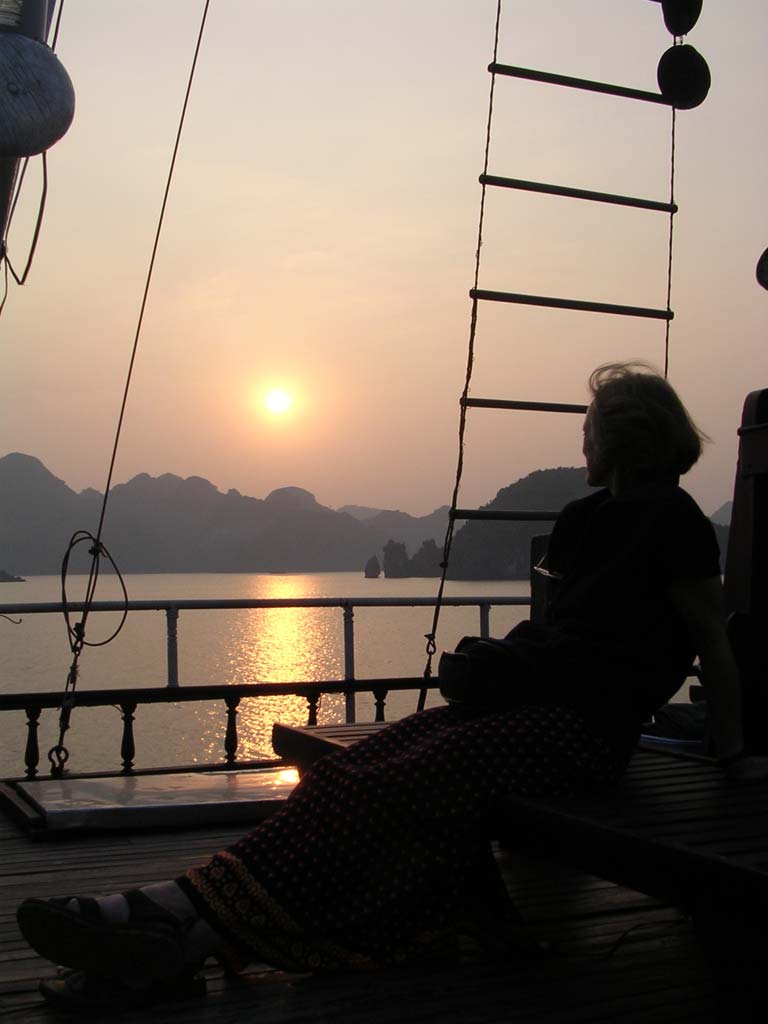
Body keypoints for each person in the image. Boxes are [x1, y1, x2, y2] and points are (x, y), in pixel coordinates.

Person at [17, 361, 768, 1010]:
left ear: (624, 436)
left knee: (389, 786)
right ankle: (176, 923)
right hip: (520, 711)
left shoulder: (673, 521)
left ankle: (172, 924)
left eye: (591, 428)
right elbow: (565, 630)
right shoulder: (585, 519)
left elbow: (710, 635)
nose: (583, 443)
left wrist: (730, 750)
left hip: (582, 733)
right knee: (349, 770)